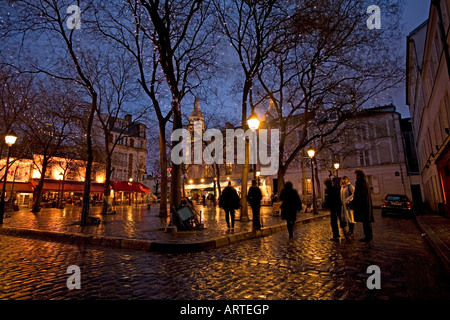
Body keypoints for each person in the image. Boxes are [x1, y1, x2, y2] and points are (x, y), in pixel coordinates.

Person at [353, 169, 374, 242]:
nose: (355, 176)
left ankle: (367, 236)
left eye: (355, 175)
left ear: (358, 175)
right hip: (365, 204)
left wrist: (354, 202)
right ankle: (369, 236)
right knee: (367, 221)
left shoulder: (360, 182)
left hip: (363, 205)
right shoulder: (365, 181)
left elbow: (359, 194)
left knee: (365, 221)